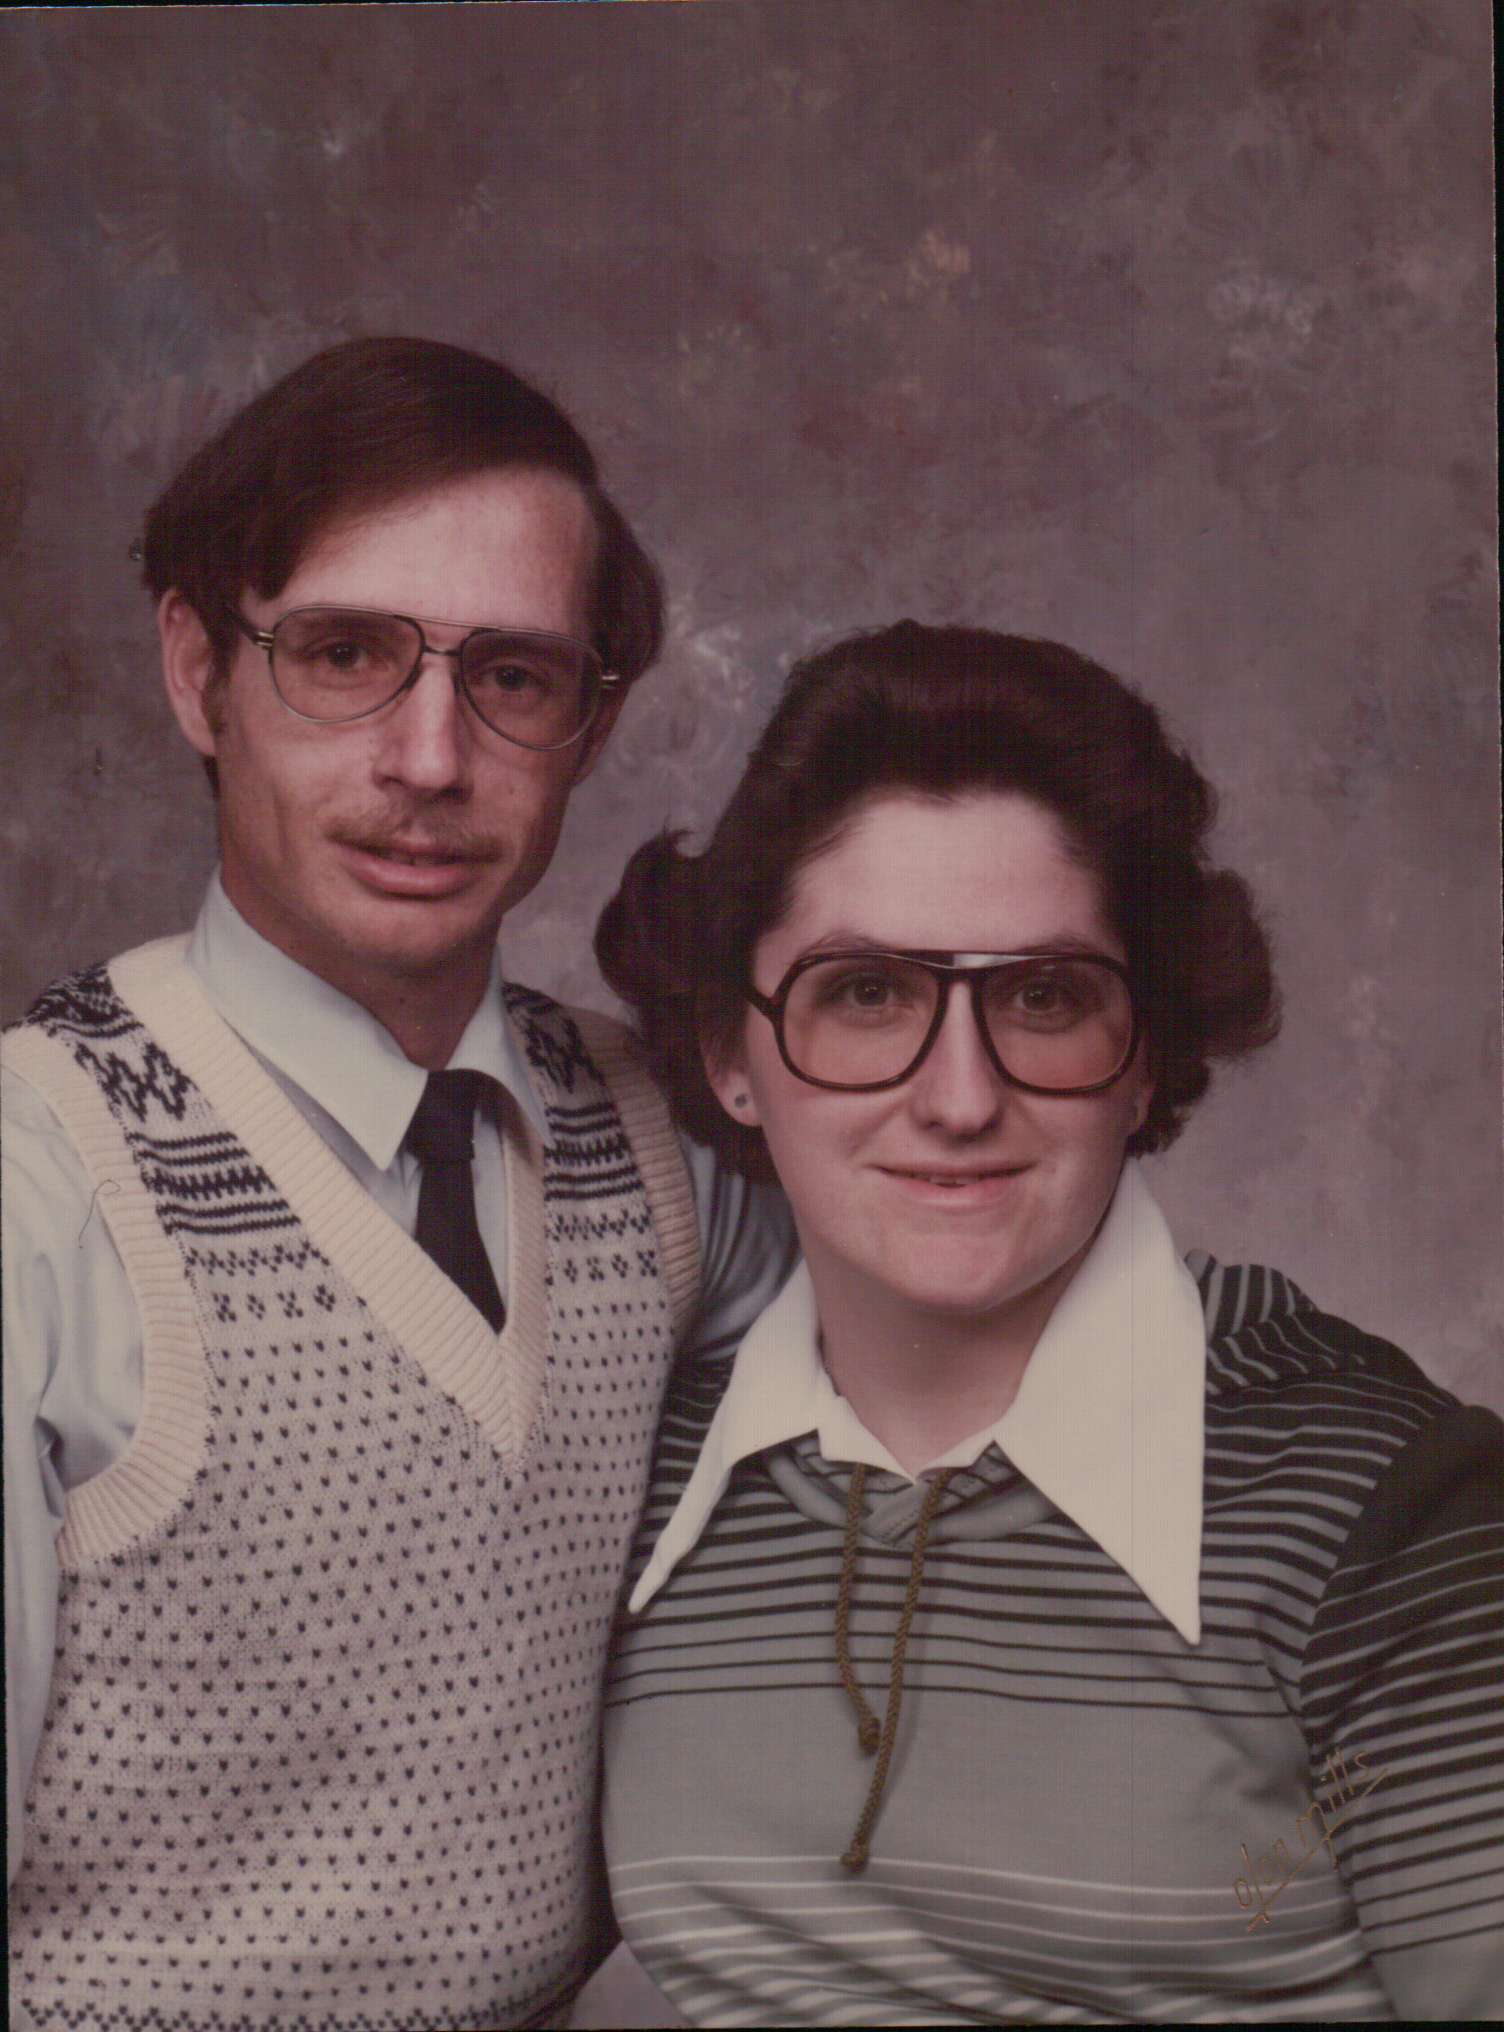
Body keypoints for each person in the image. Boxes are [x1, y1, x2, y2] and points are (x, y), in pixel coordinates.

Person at [3, 335, 793, 2031]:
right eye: (346, 655)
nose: (430, 757)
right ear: (199, 675)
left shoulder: (671, 1145)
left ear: (591, 725)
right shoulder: (36, 1187)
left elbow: (950, 1372)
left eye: (511, 675)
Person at [593, 621, 1504, 2025]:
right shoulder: (635, 1489)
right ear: (729, 1054)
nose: (960, 1098)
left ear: (1143, 1060)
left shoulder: (1385, 1509)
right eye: (866, 994)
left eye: (1043, 997)